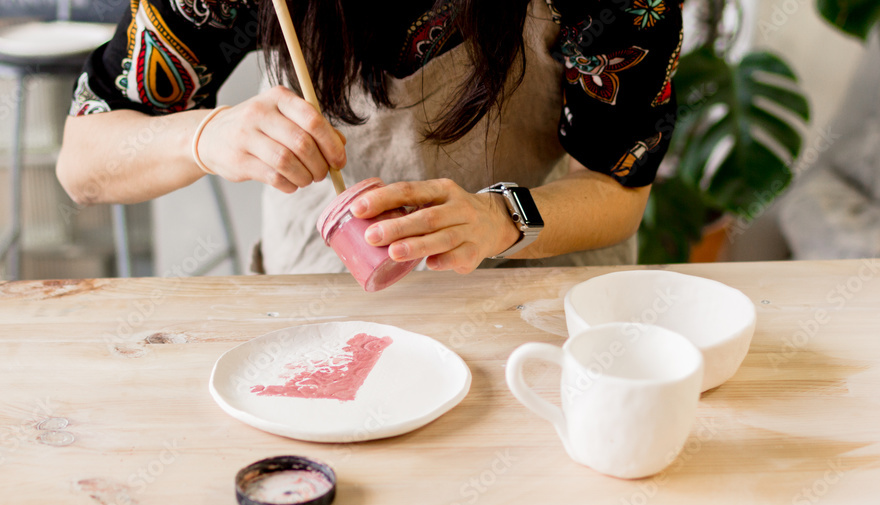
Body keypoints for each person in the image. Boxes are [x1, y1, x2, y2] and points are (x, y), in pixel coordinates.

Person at [57, 0, 683, 275]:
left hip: (537, 304)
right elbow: (83, 163)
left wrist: (498, 217)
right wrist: (203, 135)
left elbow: (616, 187)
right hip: (322, 303)